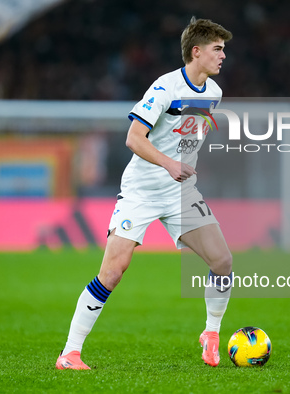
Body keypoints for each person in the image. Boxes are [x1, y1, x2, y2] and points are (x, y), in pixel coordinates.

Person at [56, 17, 233, 370]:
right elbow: (133, 138)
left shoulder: (214, 94)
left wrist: (183, 164)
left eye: (224, 49)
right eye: (217, 49)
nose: (223, 56)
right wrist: (169, 163)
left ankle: (211, 334)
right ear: (196, 52)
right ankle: (70, 353)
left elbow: (189, 134)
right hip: (141, 191)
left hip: (181, 192)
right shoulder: (164, 88)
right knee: (113, 272)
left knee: (223, 262)